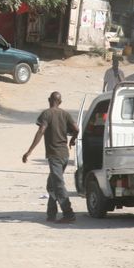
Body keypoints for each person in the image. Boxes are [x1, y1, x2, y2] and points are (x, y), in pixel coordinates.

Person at [22, 92, 78, 223]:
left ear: (49, 100)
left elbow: (41, 131)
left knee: (58, 185)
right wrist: (73, 140)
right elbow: (76, 129)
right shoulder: (65, 114)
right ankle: (51, 214)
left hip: (55, 155)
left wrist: (29, 151)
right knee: (51, 184)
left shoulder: (46, 114)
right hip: (64, 156)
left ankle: (68, 214)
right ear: (60, 102)